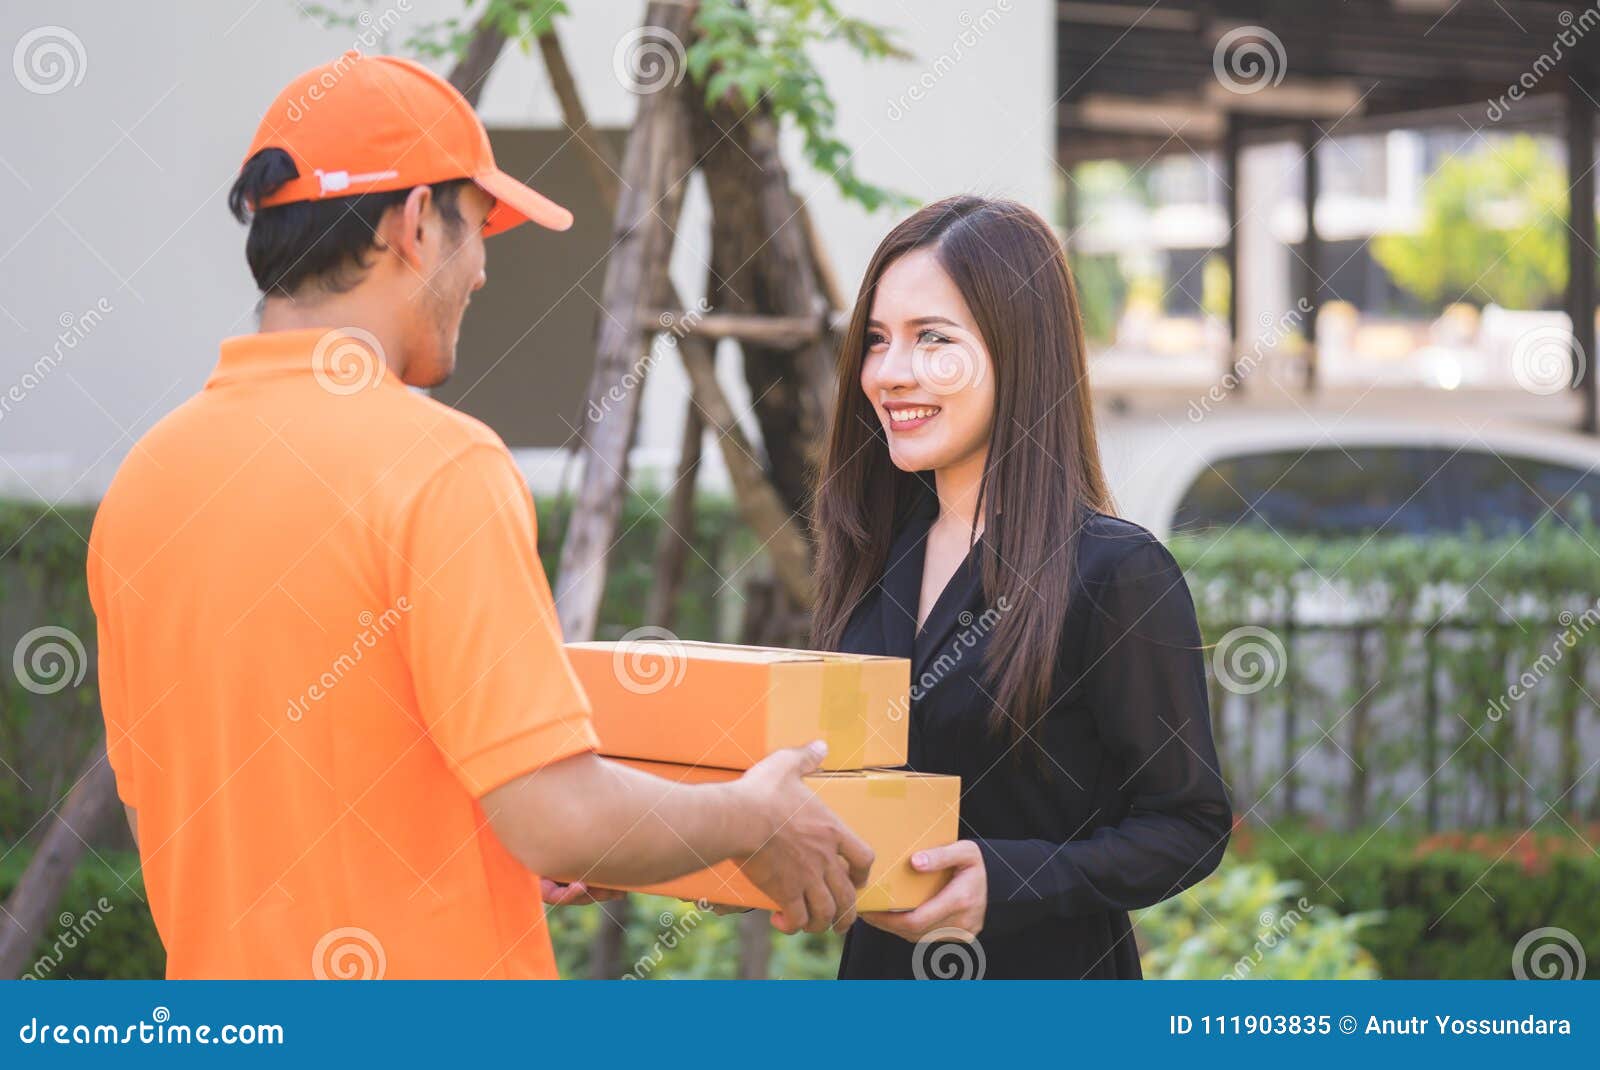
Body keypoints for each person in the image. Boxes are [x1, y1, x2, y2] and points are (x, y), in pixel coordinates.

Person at [86, 51, 871, 980]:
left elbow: (184, 815)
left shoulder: (146, 482)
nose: (485, 270)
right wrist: (755, 815)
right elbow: (558, 818)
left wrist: (491, 836)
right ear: (416, 223)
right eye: (479, 226)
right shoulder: (439, 465)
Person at [810, 196, 1232, 979]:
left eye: (933, 339)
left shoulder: (1112, 573)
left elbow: (1188, 824)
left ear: (1019, 351)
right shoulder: (870, 550)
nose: (890, 373)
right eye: (876, 341)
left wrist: (1009, 880)